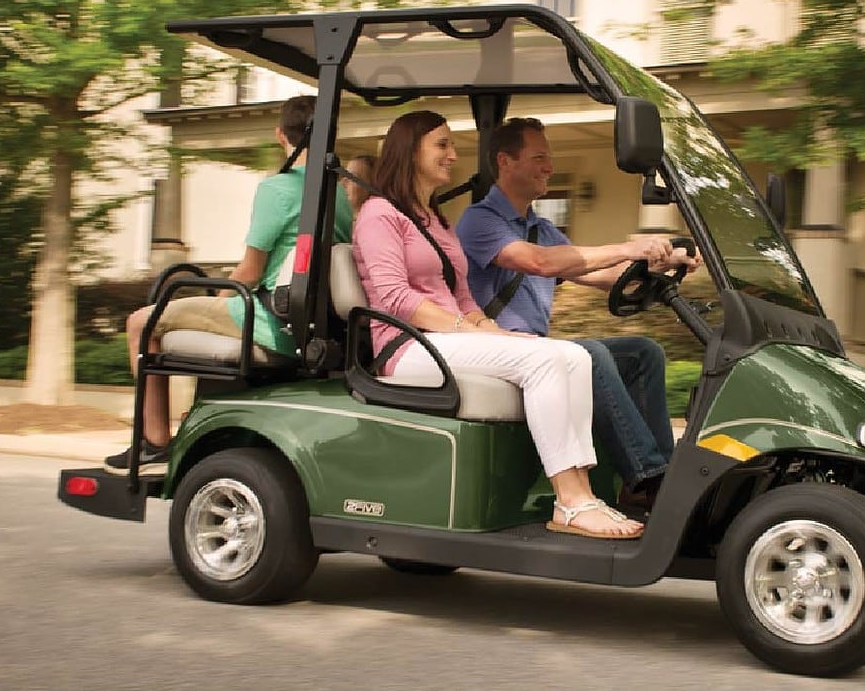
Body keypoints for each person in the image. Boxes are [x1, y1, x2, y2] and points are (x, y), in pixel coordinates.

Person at [353, 110, 643, 539]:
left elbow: (463, 296)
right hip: (406, 347)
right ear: (410, 150)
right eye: (443, 145)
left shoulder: (436, 220)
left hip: (442, 339)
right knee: (545, 362)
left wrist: (493, 330)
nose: (453, 155)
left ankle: (582, 493)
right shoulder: (381, 214)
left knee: (572, 355)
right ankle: (570, 500)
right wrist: (466, 329)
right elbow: (397, 298)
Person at [455, 117, 701, 513]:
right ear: (505, 161)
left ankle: (661, 471)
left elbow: (601, 273)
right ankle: (647, 477)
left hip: (534, 353)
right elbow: (539, 263)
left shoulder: (542, 227)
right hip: (496, 352)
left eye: (549, 158)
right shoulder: (480, 221)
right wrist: (629, 247)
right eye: (538, 158)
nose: (549, 167)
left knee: (643, 352)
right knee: (590, 356)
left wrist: (665, 263)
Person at [105, 95, 354, 476]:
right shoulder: (336, 193)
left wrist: (220, 297)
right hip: (312, 328)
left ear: (279, 135)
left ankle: (153, 441)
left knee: (141, 323)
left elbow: (250, 272)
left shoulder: (278, 188)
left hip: (270, 321)